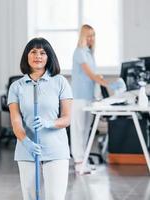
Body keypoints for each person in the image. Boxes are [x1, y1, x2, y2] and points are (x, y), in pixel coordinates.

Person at [8, 37, 73, 200]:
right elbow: (16, 122)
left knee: (55, 197)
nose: (38, 56)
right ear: (27, 56)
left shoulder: (60, 82)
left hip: (55, 149)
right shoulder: (17, 86)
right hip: (27, 149)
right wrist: (26, 142)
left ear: (49, 57)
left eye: (43, 53)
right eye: (34, 52)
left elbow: (66, 118)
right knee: (29, 196)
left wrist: (49, 123)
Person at [70, 24, 125, 174]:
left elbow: (94, 76)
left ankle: (84, 159)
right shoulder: (80, 52)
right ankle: (78, 161)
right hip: (79, 97)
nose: (91, 38)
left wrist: (101, 81)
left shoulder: (89, 53)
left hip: (89, 97)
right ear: (82, 36)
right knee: (78, 130)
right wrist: (109, 84)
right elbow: (90, 75)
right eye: (88, 35)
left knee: (86, 130)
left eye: (93, 35)